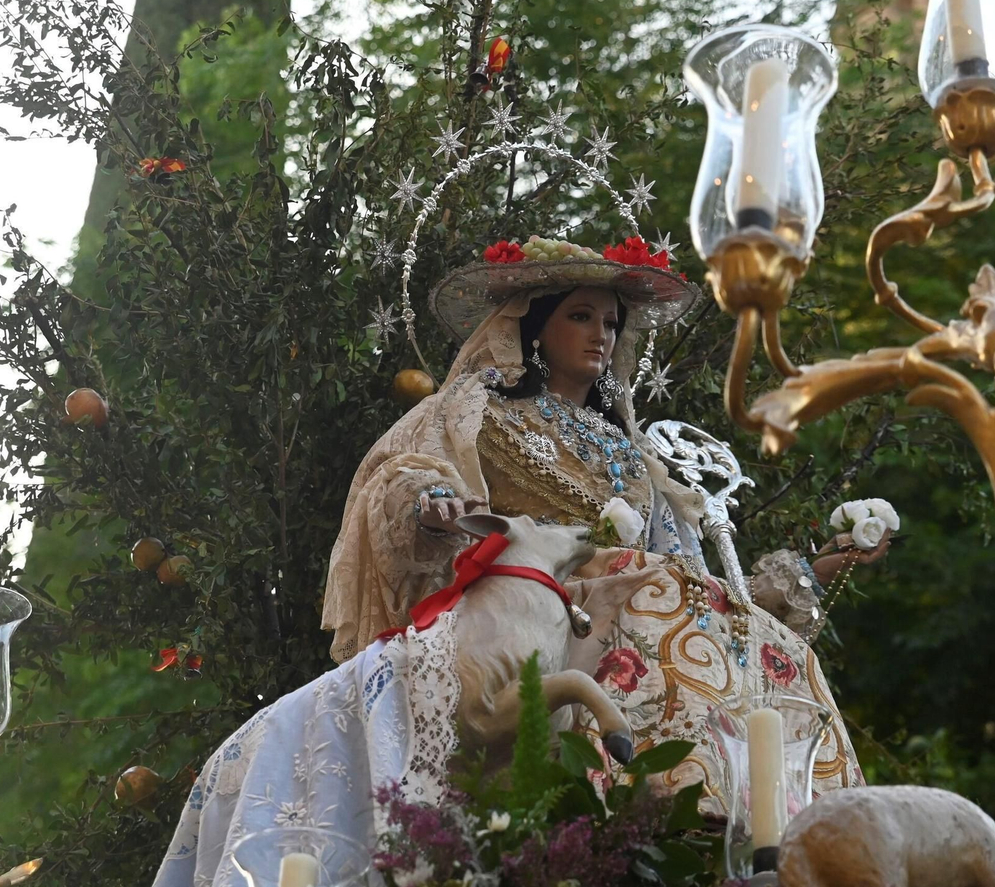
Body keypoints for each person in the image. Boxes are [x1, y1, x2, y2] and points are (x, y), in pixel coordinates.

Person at [322, 234, 863, 804]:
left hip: (638, 611)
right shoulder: (478, 411)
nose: (600, 334)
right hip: (543, 616)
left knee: (776, 647)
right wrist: (433, 504)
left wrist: (803, 577)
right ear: (535, 326)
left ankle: (754, 801)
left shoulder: (632, 451)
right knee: (651, 596)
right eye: (580, 316)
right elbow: (406, 470)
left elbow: (685, 571)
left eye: (610, 322)